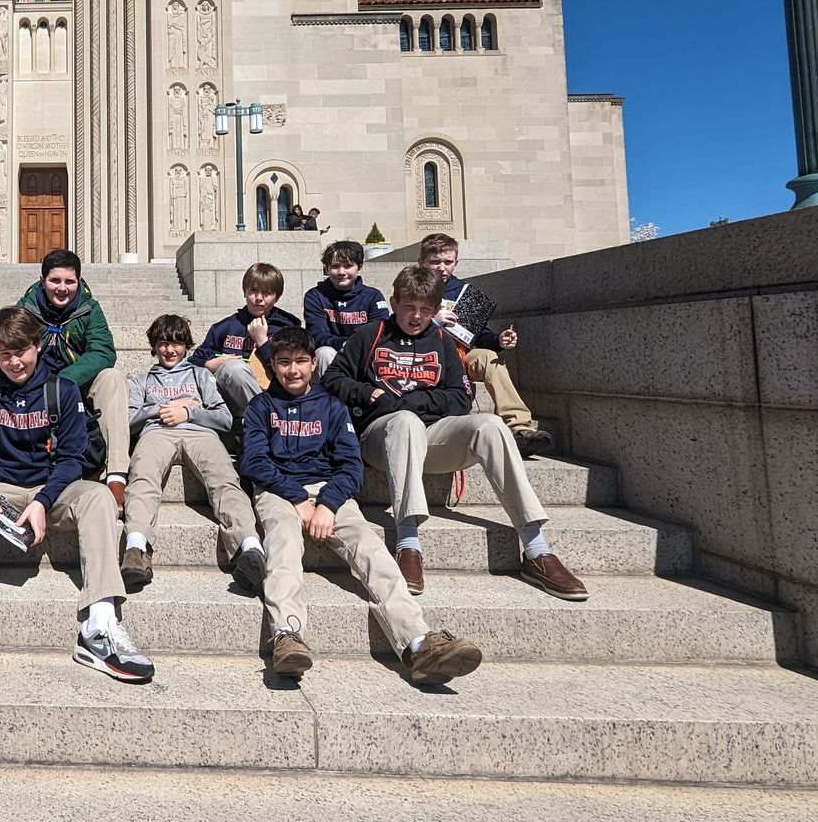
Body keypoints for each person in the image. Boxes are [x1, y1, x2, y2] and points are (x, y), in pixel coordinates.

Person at [0, 307, 153, 682]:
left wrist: (42, 501)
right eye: (5, 354)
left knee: (99, 497)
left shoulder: (62, 391)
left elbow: (72, 459)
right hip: (2, 489)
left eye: (21, 351)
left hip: (54, 490)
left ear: (36, 346)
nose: (14, 362)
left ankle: (100, 625)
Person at [323, 265, 588, 602]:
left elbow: (461, 398)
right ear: (393, 303)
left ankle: (536, 549)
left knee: (490, 425)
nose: (416, 317)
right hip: (380, 437)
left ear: (435, 311)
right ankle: (408, 542)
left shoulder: (442, 341)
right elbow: (332, 379)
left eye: (424, 310)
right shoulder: (370, 335)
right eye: (409, 308)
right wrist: (368, 393)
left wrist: (414, 400)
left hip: (432, 435)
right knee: (404, 421)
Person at [240, 325, 485, 684]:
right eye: (284, 362)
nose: (293, 370)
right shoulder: (262, 406)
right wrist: (296, 498)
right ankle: (286, 635)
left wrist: (327, 504)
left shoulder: (332, 407)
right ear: (273, 365)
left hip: (330, 490)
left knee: (373, 550)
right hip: (278, 490)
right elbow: (253, 462)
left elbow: (351, 467)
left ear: (313, 365)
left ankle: (418, 642)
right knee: (283, 544)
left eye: (302, 362)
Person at [120, 314, 263, 592]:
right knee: (142, 477)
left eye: (175, 343)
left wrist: (189, 411)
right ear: (154, 346)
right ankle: (136, 548)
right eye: (162, 343)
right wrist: (164, 408)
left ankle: (250, 547)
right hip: (156, 433)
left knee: (224, 480)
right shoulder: (141, 380)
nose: (169, 350)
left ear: (186, 345)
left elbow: (224, 418)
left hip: (200, 433)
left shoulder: (201, 375)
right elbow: (128, 419)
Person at [417, 232, 553, 456]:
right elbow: (400, 325)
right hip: (421, 355)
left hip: (461, 354)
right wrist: (433, 322)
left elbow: (481, 335)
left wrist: (499, 340)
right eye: (435, 261)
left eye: (448, 262)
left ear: (456, 263)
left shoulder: (465, 293)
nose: (442, 267)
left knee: (490, 358)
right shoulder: (412, 286)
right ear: (422, 262)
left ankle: (519, 428)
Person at [15, 249, 130, 505]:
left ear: (79, 280)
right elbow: (1, 346)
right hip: (32, 385)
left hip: (75, 383)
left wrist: (62, 382)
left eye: (70, 281)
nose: (62, 288)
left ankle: (116, 477)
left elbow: (102, 352)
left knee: (113, 378)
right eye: (55, 281)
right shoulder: (26, 309)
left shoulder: (89, 309)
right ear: (42, 280)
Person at [193, 262, 303, 419]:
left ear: (277, 296)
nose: (258, 298)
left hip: (273, 392)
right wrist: (207, 364)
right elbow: (192, 361)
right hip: (229, 396)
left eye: (267, 293)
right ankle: (267, 420)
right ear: (244, 292)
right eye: (253, 291)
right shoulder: (225, 327)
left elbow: (292, 369)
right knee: (233, 367)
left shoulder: (287, 328)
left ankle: (264, 418)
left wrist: (263, 341)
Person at [302, 239, 389, 375]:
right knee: (324, 352)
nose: (341, 272)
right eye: (335, 266)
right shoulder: (315, 296)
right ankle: (333, 395)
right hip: (332, 353)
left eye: (348, 266)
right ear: (327, 268)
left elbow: (380, 333)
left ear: (359, 267)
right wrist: (343, 344)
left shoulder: (373, 296)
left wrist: (355, 345)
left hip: (364, 353)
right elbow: (316, 335)